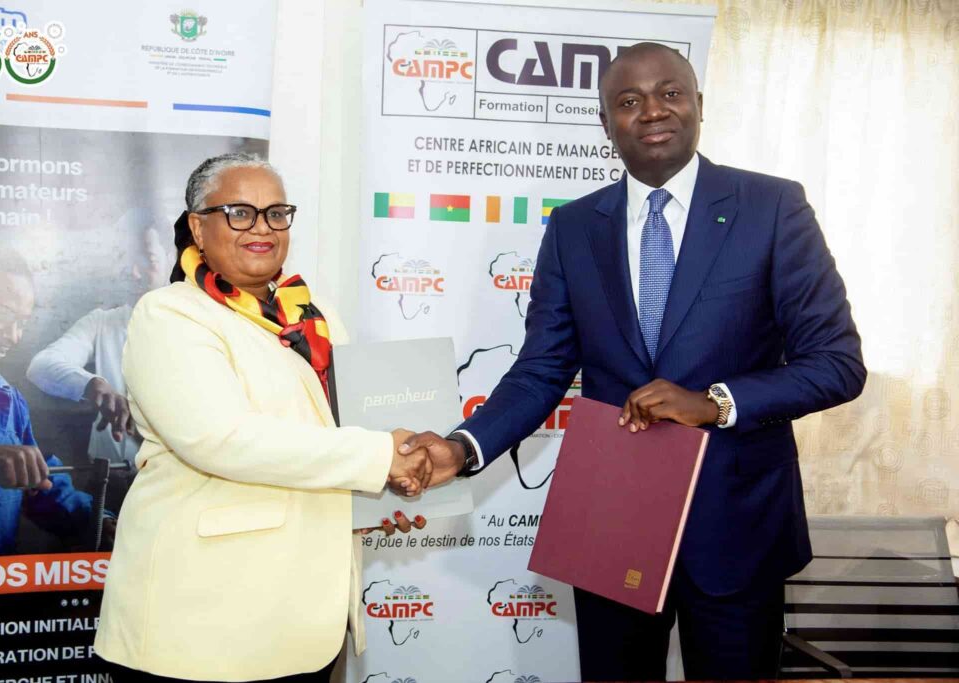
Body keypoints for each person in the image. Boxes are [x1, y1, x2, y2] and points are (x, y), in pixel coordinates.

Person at [405, 43, 866, 680]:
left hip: (735, 524)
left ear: (698, 104)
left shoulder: (772, 208)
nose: (652, 111)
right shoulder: (573, 228)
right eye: (628, 101)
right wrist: (463, 448)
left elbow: (837, 363)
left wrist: (714, 403)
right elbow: (541, 369)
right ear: (606, 123)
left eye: (670, 93)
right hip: (611, 520)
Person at [94, 152, 431, 683]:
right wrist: (381, 457)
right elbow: (222, 439)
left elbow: (336, 438)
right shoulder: (170, 314)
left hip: (304, 620)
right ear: (198, 229)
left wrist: (379, 497)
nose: (262, 228)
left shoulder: (315, 316)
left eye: (276, 213)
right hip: (203, 624)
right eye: (239, 213)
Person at [0, 243, 99, 558]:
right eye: (1, 317)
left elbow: (38, 481)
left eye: (22, 323)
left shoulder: (7, 400)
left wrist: (96, 520)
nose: (14, 337)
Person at [27, 211, 172, 465]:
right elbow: (40, 366)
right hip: (110, 478)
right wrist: (93, 385)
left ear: (171, 259)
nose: (134, 273)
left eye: (148, 259)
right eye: (125, 259)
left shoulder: (199, 325)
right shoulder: (102, 323)